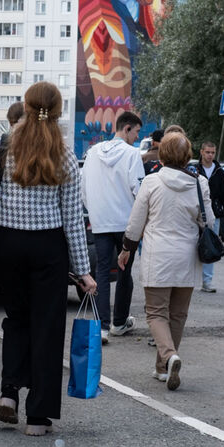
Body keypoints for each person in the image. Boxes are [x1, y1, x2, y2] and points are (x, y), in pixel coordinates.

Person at [0, 81, 97, 436]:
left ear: (25, 106)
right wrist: (83, 272)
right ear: (58, 112)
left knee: (16, 320)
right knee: (47, 328)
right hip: (49, 250)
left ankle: (9, 394)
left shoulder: (1, 145)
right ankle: (38, 418)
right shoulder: (66, 155)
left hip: (8, 246)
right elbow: (73, 220)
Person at [118, 132, 213, 391]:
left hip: (158, 256)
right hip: (187, 257)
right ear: (188, 156)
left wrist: (126, 248)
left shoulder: (151, 182)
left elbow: (136, 223)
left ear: (163, 154)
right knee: (178, 314)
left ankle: (169, 357)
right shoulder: (199, 183)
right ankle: (163, 368)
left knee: (156, 313)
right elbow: (209, 222)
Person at [81, 111, 144, 343]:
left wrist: (95, 210)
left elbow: (84, 188)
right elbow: (138, 190)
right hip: (126, 222)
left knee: (102, 273)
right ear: (127, 128)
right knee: (125, 271)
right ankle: (119, 322)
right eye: (136, 132)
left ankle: (102, 326)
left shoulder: (93, 152)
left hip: (100, 221)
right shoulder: (132, 154)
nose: (136, 138)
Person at [197, 141, 224, 293]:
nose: (210, 155)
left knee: (210, 247)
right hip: (195, 214)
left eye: (212, 152)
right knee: (191, 247)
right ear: (201, 152)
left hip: (215, 215)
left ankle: (207, 282)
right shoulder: (194, 170)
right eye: (207, 152)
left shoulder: (219, 172)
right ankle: (187, 281)